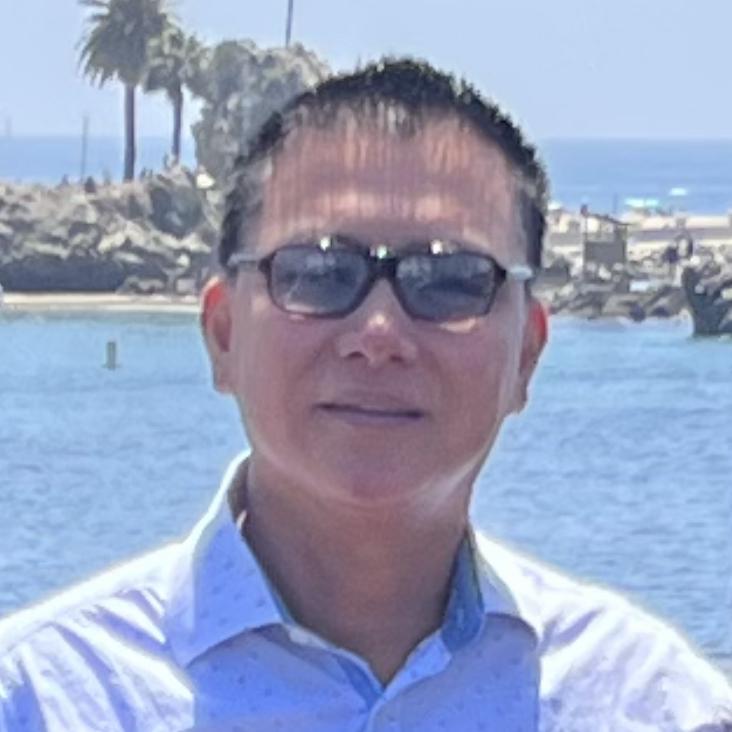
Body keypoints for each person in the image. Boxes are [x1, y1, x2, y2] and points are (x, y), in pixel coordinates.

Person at [1, 59, 730, 731]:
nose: (379, 333)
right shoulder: (45, 698)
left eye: (448, 282)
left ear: (527, 355)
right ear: (223, 334)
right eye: (319, 274)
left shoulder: (649, 705)